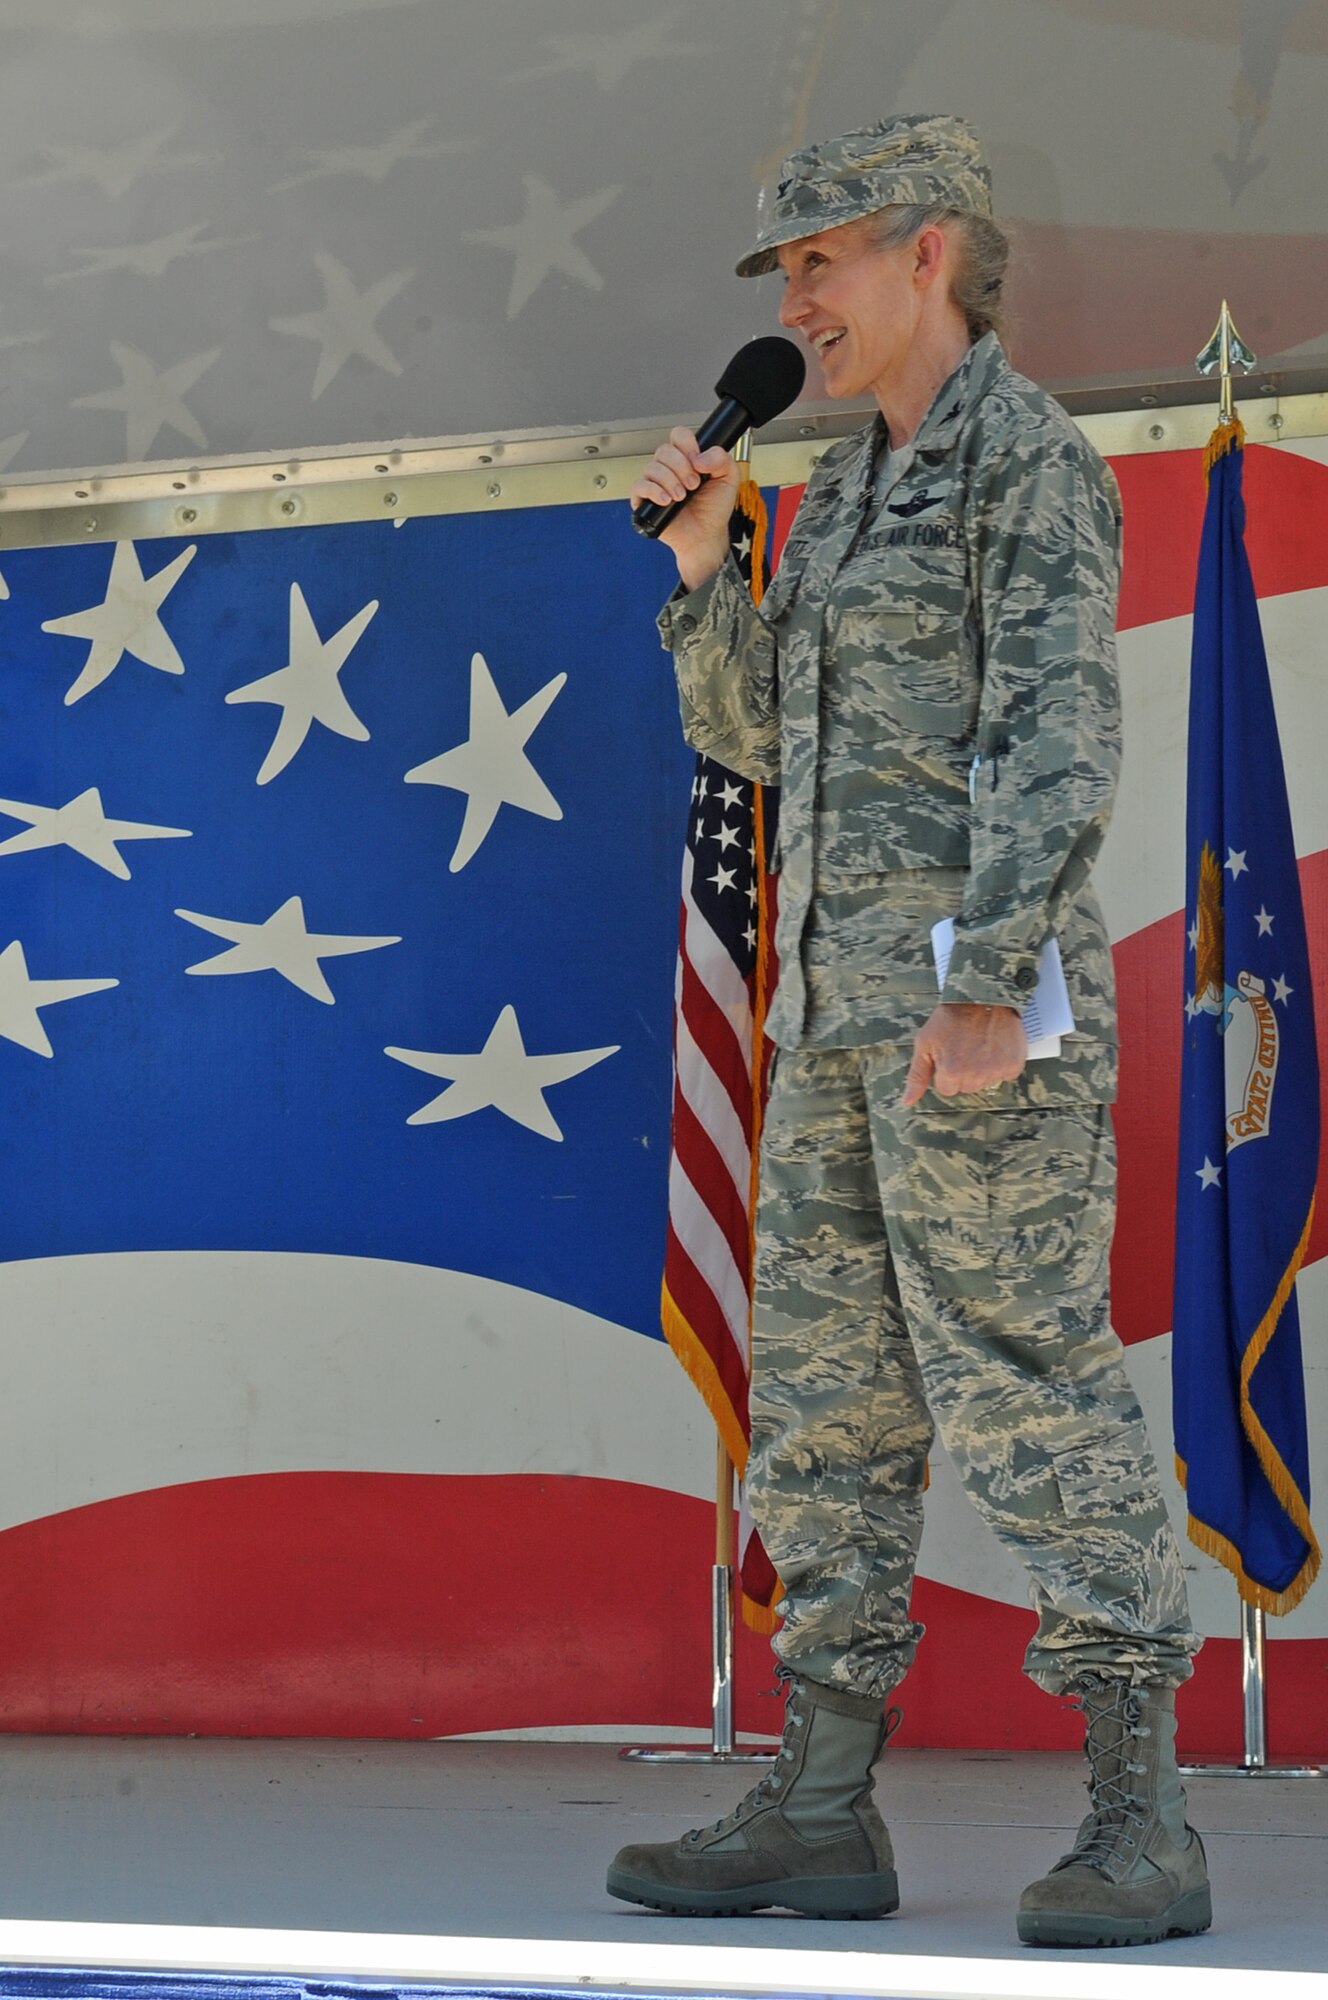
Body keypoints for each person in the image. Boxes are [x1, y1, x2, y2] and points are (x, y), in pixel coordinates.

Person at [607, 113, 1210, 1950]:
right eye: (783, 272)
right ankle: (818, 1806)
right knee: (830, 1421)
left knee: (1029, 1391)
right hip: (835, 1034)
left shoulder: (1020, 461)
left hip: (970, 1028)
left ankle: (1143, 1813)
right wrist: (714, 569)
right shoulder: (851, 483)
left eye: (823, 260)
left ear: (931, 253)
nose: (798, 300)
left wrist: (978, 984)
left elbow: (1057, 733)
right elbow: (758, 744)